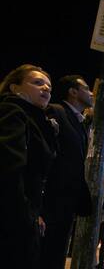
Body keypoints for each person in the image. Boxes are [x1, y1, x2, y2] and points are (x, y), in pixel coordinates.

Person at [0, 64, 57, 269]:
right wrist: (28, 216)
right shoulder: (12, 111)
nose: (46, 89)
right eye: (37, 83)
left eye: (49, 86)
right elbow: (9, 170)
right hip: (11, 222)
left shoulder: (35, 118)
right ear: (15, 88)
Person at [40, 75, 93, 269]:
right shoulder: (56, 111)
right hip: (51, 203)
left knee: (57, 253)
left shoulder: (79, 122)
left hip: (65, 204)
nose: (91, 93)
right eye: (86, 88)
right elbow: (43, 157)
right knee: (47, 255)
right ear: (73, 92)